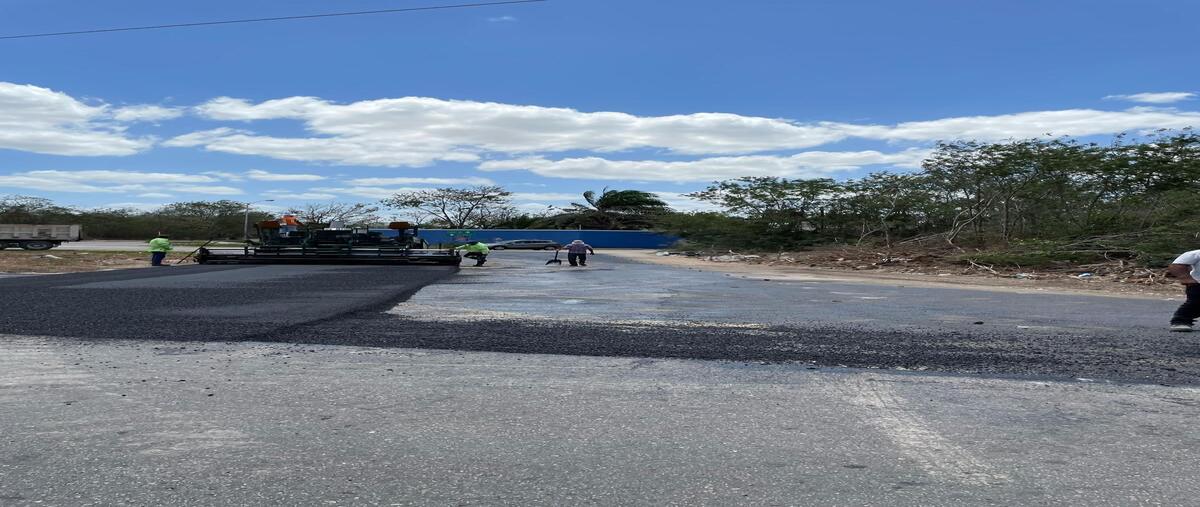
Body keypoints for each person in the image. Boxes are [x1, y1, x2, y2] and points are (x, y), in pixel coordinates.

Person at [1167, 249, 1200, 331]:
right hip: (1197, 284)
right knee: (1196, 303)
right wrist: (1185, 278)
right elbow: (1177, 265)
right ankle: (1180, 321)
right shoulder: (1196, 254)